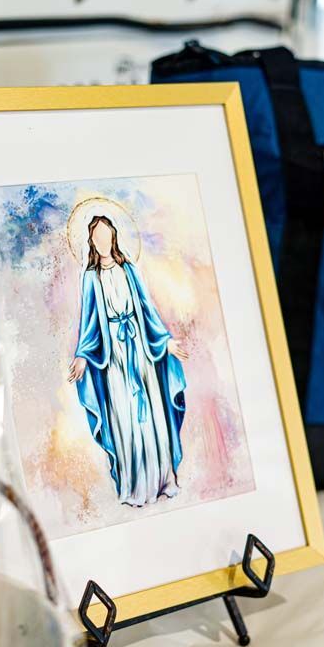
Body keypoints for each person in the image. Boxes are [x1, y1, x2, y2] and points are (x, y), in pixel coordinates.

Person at [69, 215, 187, 507]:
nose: (103, 241)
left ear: (114, 237)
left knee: (152, 414)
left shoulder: (129, 270)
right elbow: (89, 322)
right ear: (91, 242)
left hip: (141, 351)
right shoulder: (90, 278)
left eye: (106, 235)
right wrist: (83, 355)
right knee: (125, 416)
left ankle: (163, 479)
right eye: (97, 237)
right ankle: (136, 485)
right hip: (114, 360)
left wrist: (165, 342)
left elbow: (147, 310)